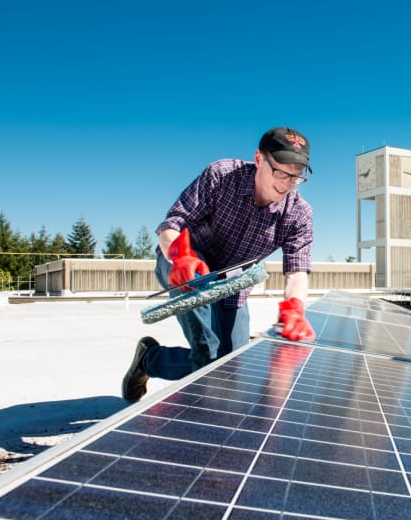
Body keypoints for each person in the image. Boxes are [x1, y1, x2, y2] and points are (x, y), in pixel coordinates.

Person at [122, 126, 316, 403]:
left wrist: (294, 309)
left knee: (230, 369)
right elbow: (173, 223)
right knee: (207, 356)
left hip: (233, 286)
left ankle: (150, 360)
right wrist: (179, 255)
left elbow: (296, 269)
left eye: (296, 176)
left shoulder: (299, 213)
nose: (287, 183)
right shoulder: (222, 175)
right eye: (280, 172)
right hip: (187, 268)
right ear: (259, 159)